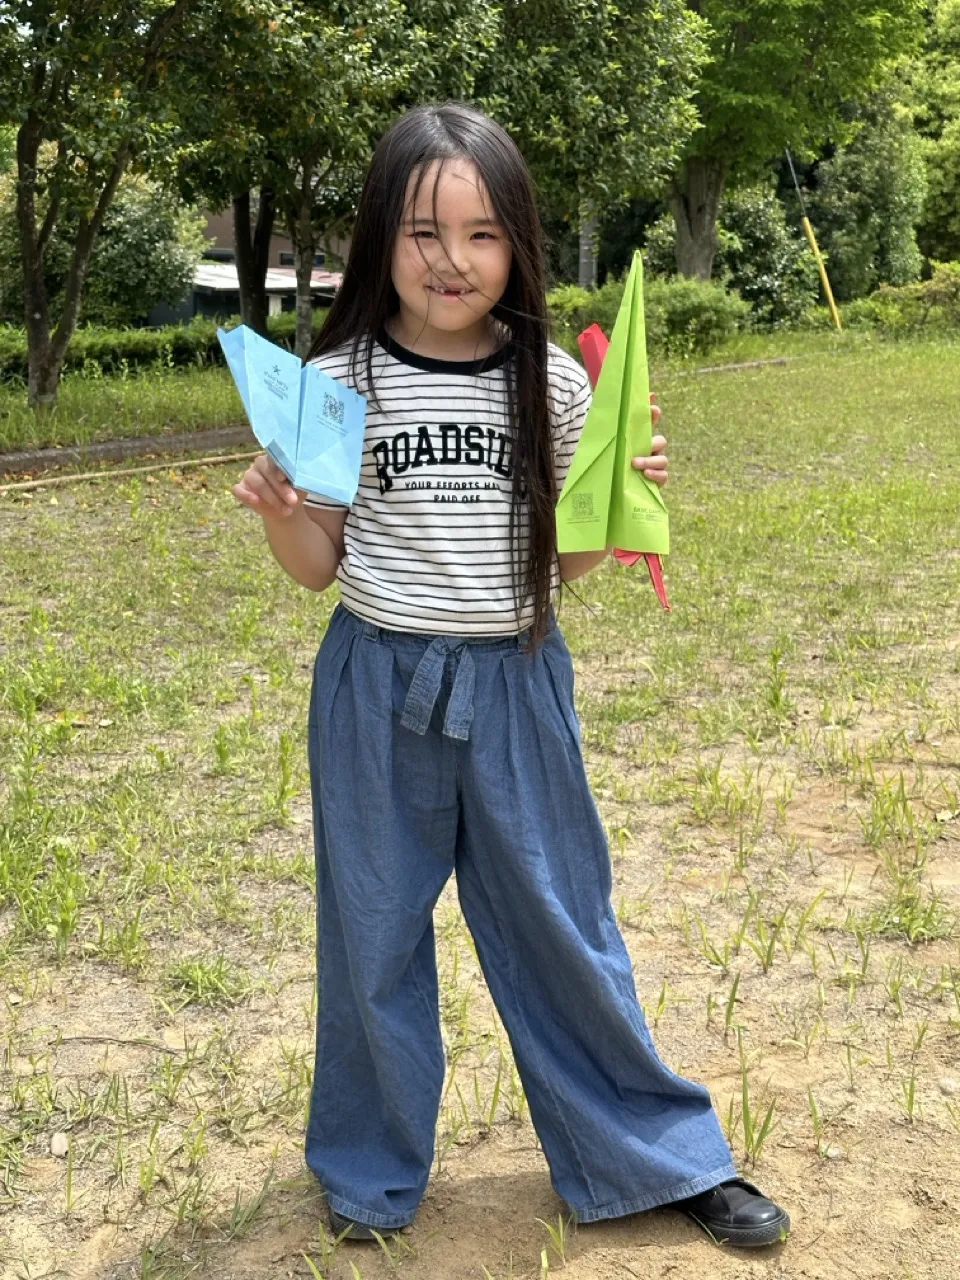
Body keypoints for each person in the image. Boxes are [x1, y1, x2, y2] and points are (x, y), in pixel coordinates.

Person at [232, 102, 789, 1252]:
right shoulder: (335, 381)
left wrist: (619, 496)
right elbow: (318, 563)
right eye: (424, 231)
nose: (452, 259)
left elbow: (565, 560)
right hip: (375, 685)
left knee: (564, 923)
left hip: (518, 682)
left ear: (517, 241)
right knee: (372, 932)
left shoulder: (551, 382)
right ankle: (368, 1170)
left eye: (482, 233)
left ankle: (656, 1153)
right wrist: (284, 510)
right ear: (381, 235)